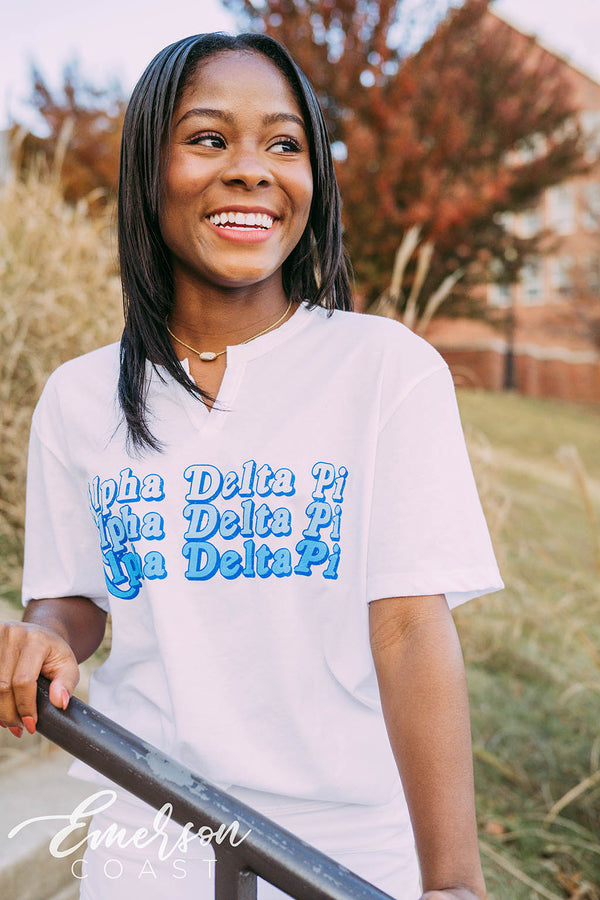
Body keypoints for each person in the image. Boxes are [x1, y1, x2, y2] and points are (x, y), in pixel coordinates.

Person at [0, 31, 503, 900]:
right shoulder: (78, 398)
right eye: (207, 139)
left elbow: (411, 627)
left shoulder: (385, 369)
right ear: (147, 171)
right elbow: (76, 594)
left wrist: (452, 882)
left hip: (345, 847)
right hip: (148, 830)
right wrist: (47, 633)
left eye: (284, 144)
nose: (251, 170)